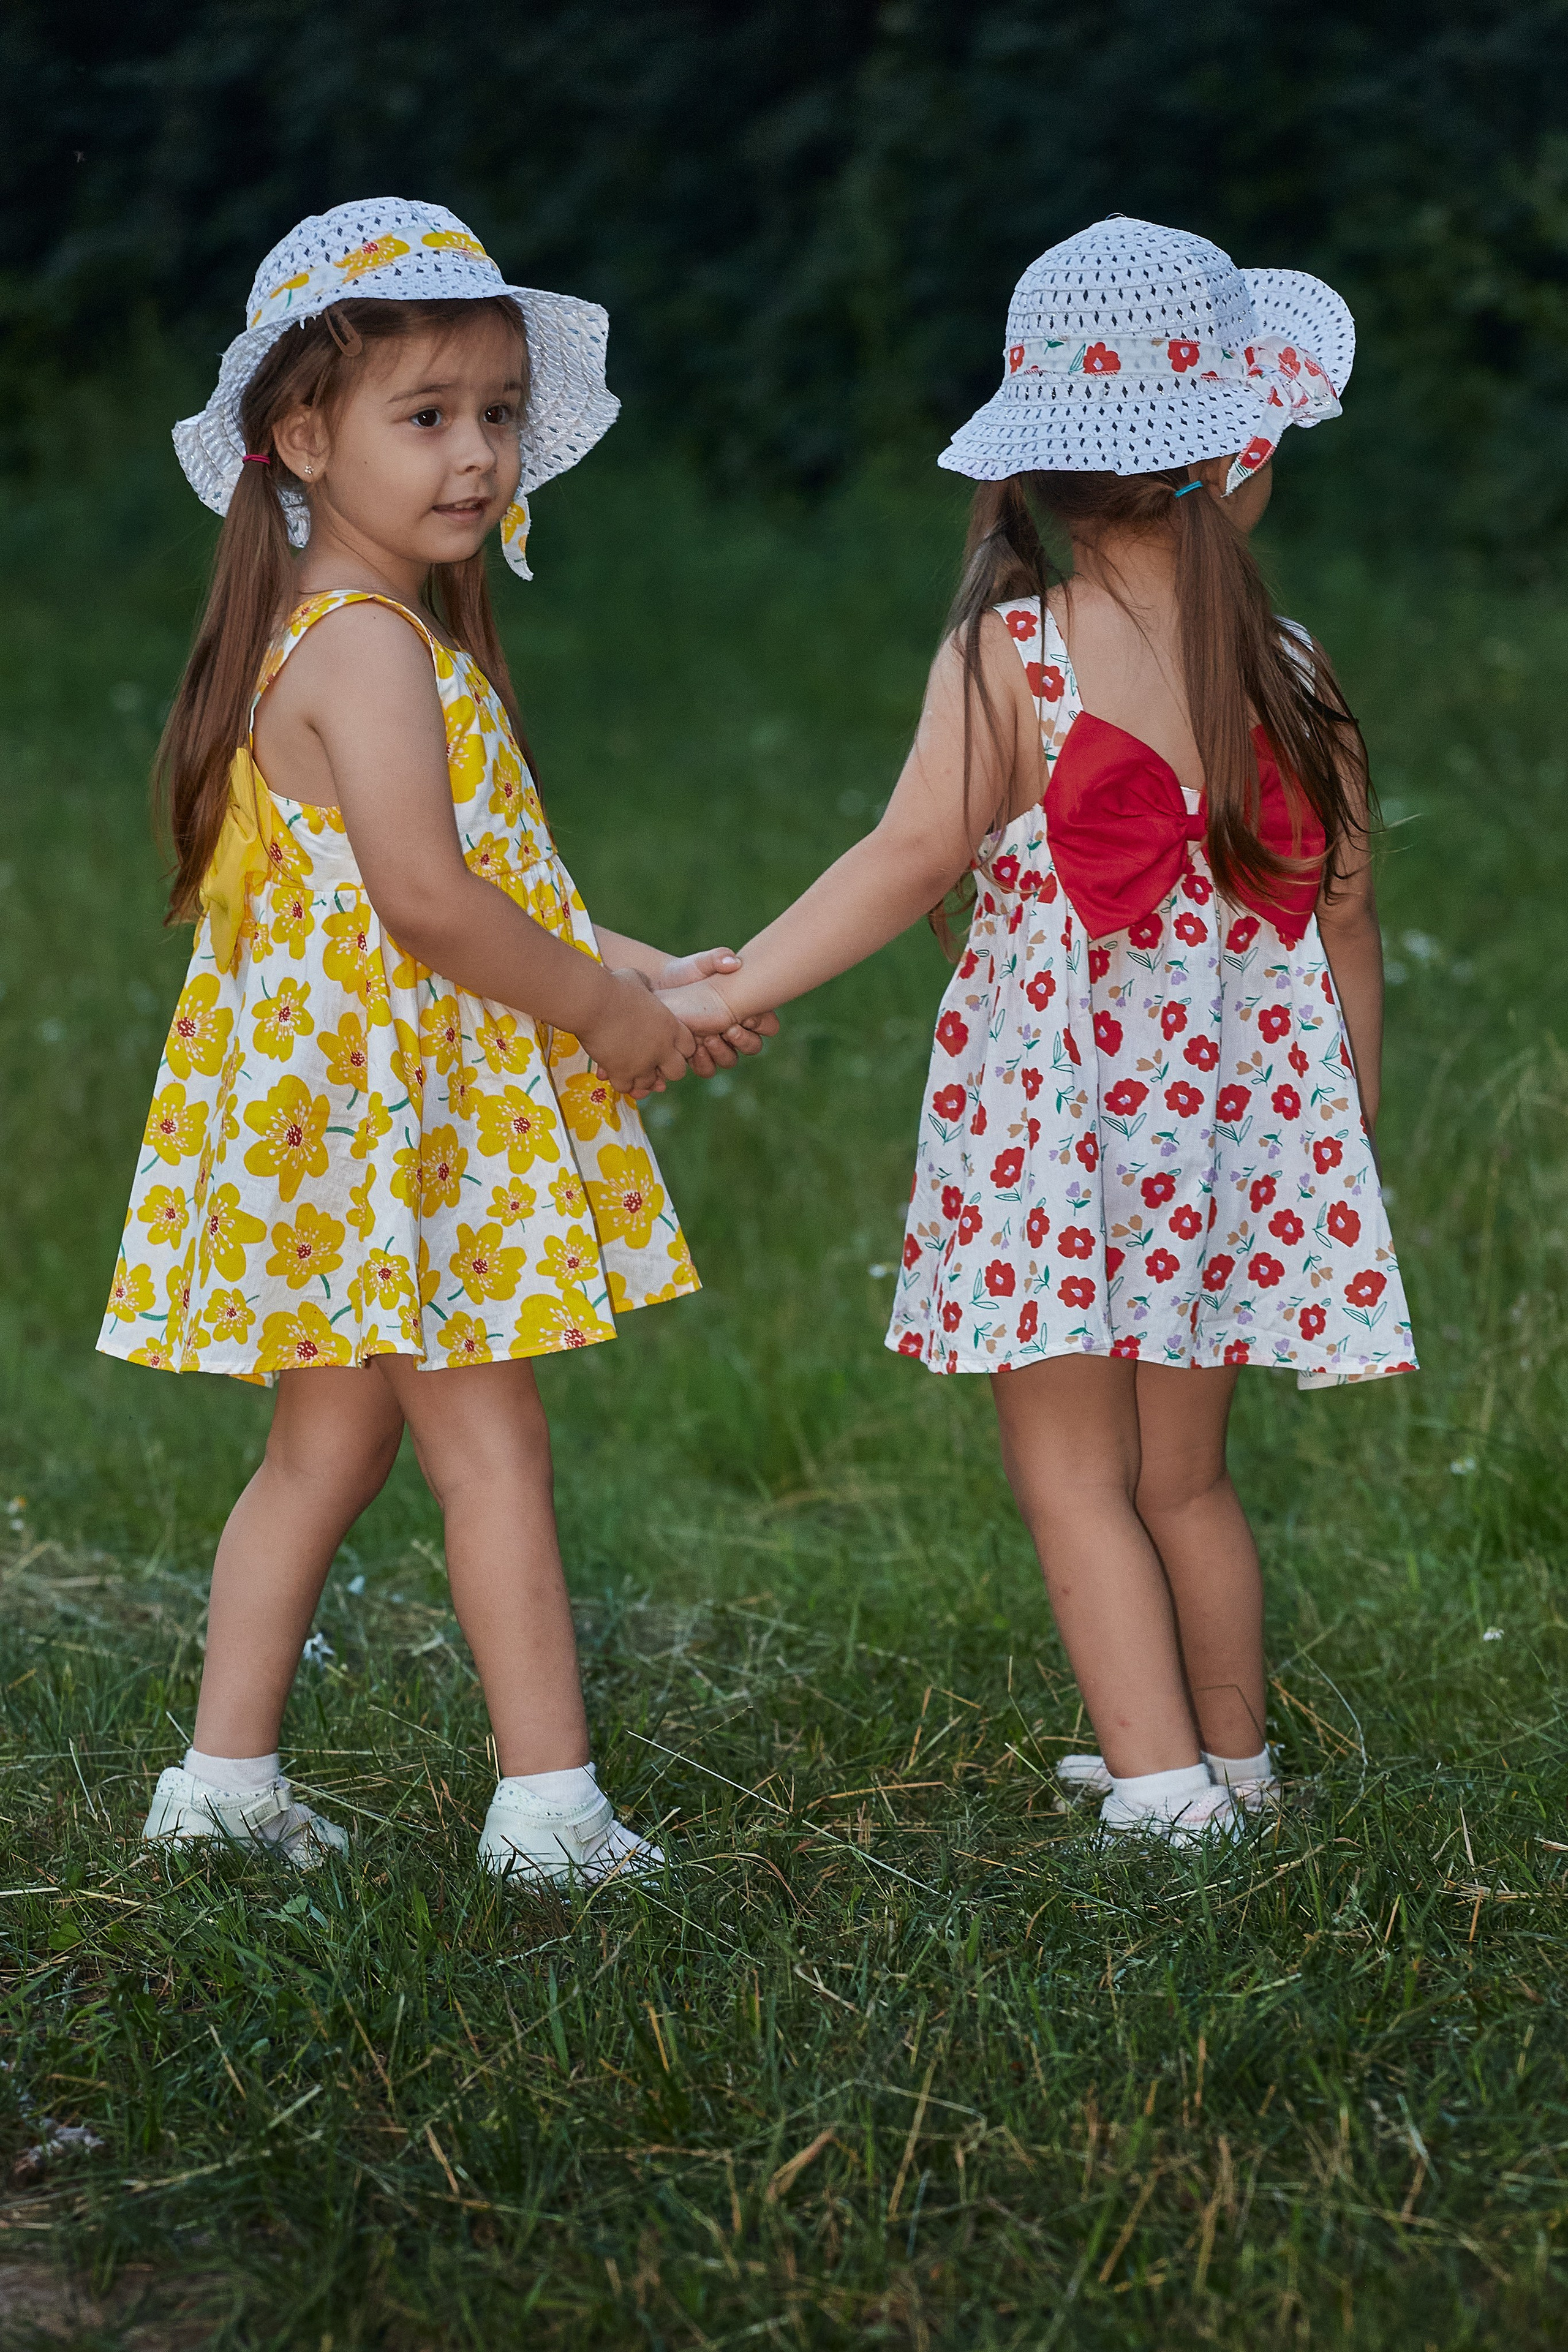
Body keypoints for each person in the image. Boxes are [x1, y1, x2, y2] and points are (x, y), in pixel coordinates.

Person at [660, 219, 1416, 1846]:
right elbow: (1344, 924)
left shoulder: (1013, 659)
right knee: (1184, 1479)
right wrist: (1334, 1132)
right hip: (1233, 1146)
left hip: (1065, 1142)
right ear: (1242, 448)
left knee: (1072, 1477)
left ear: (1036, 471)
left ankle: (1162, 1805)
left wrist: (728, 989)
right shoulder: (1294, 671)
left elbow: (904, 861)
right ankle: (1233, 1766)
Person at [99, 198, 770, 1887]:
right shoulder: (370, 647)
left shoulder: (356, 634)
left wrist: (632, 959)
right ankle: (549, 1811)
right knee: (491, 1443)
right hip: (393, 1139)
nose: (477, 454)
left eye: (495, 413)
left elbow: (481, 880)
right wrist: (608, 1013)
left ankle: (221, 1784)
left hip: (361, 1131)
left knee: (327, 1444)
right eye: (428, 417)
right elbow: (425, 905)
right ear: (301, 437)